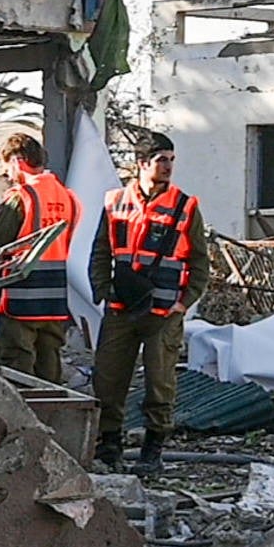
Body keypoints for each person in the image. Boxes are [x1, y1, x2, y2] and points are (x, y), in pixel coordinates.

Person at [89, 132, 210, 475]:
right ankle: (109, 445)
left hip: (163, 313)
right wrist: (102, 290)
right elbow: (101, 251)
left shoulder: (185, 206)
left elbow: (200, 262)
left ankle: (152, 450)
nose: (168, 166)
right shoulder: (115, 202)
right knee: (108, 380)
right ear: (142, 163)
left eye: (171, 159)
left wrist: (184, 303)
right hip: (121, 310)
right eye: (161, 160)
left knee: (160, 383)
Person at [0, 134, 81, 384]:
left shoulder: (22, 196)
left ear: (17, 161)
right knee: (49, 362)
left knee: (18, 361)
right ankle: (52, 407)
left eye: (7, 167)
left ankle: (24, 409)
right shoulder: (69, 198)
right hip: (54, 296)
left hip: (21, 295)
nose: (7, 175)